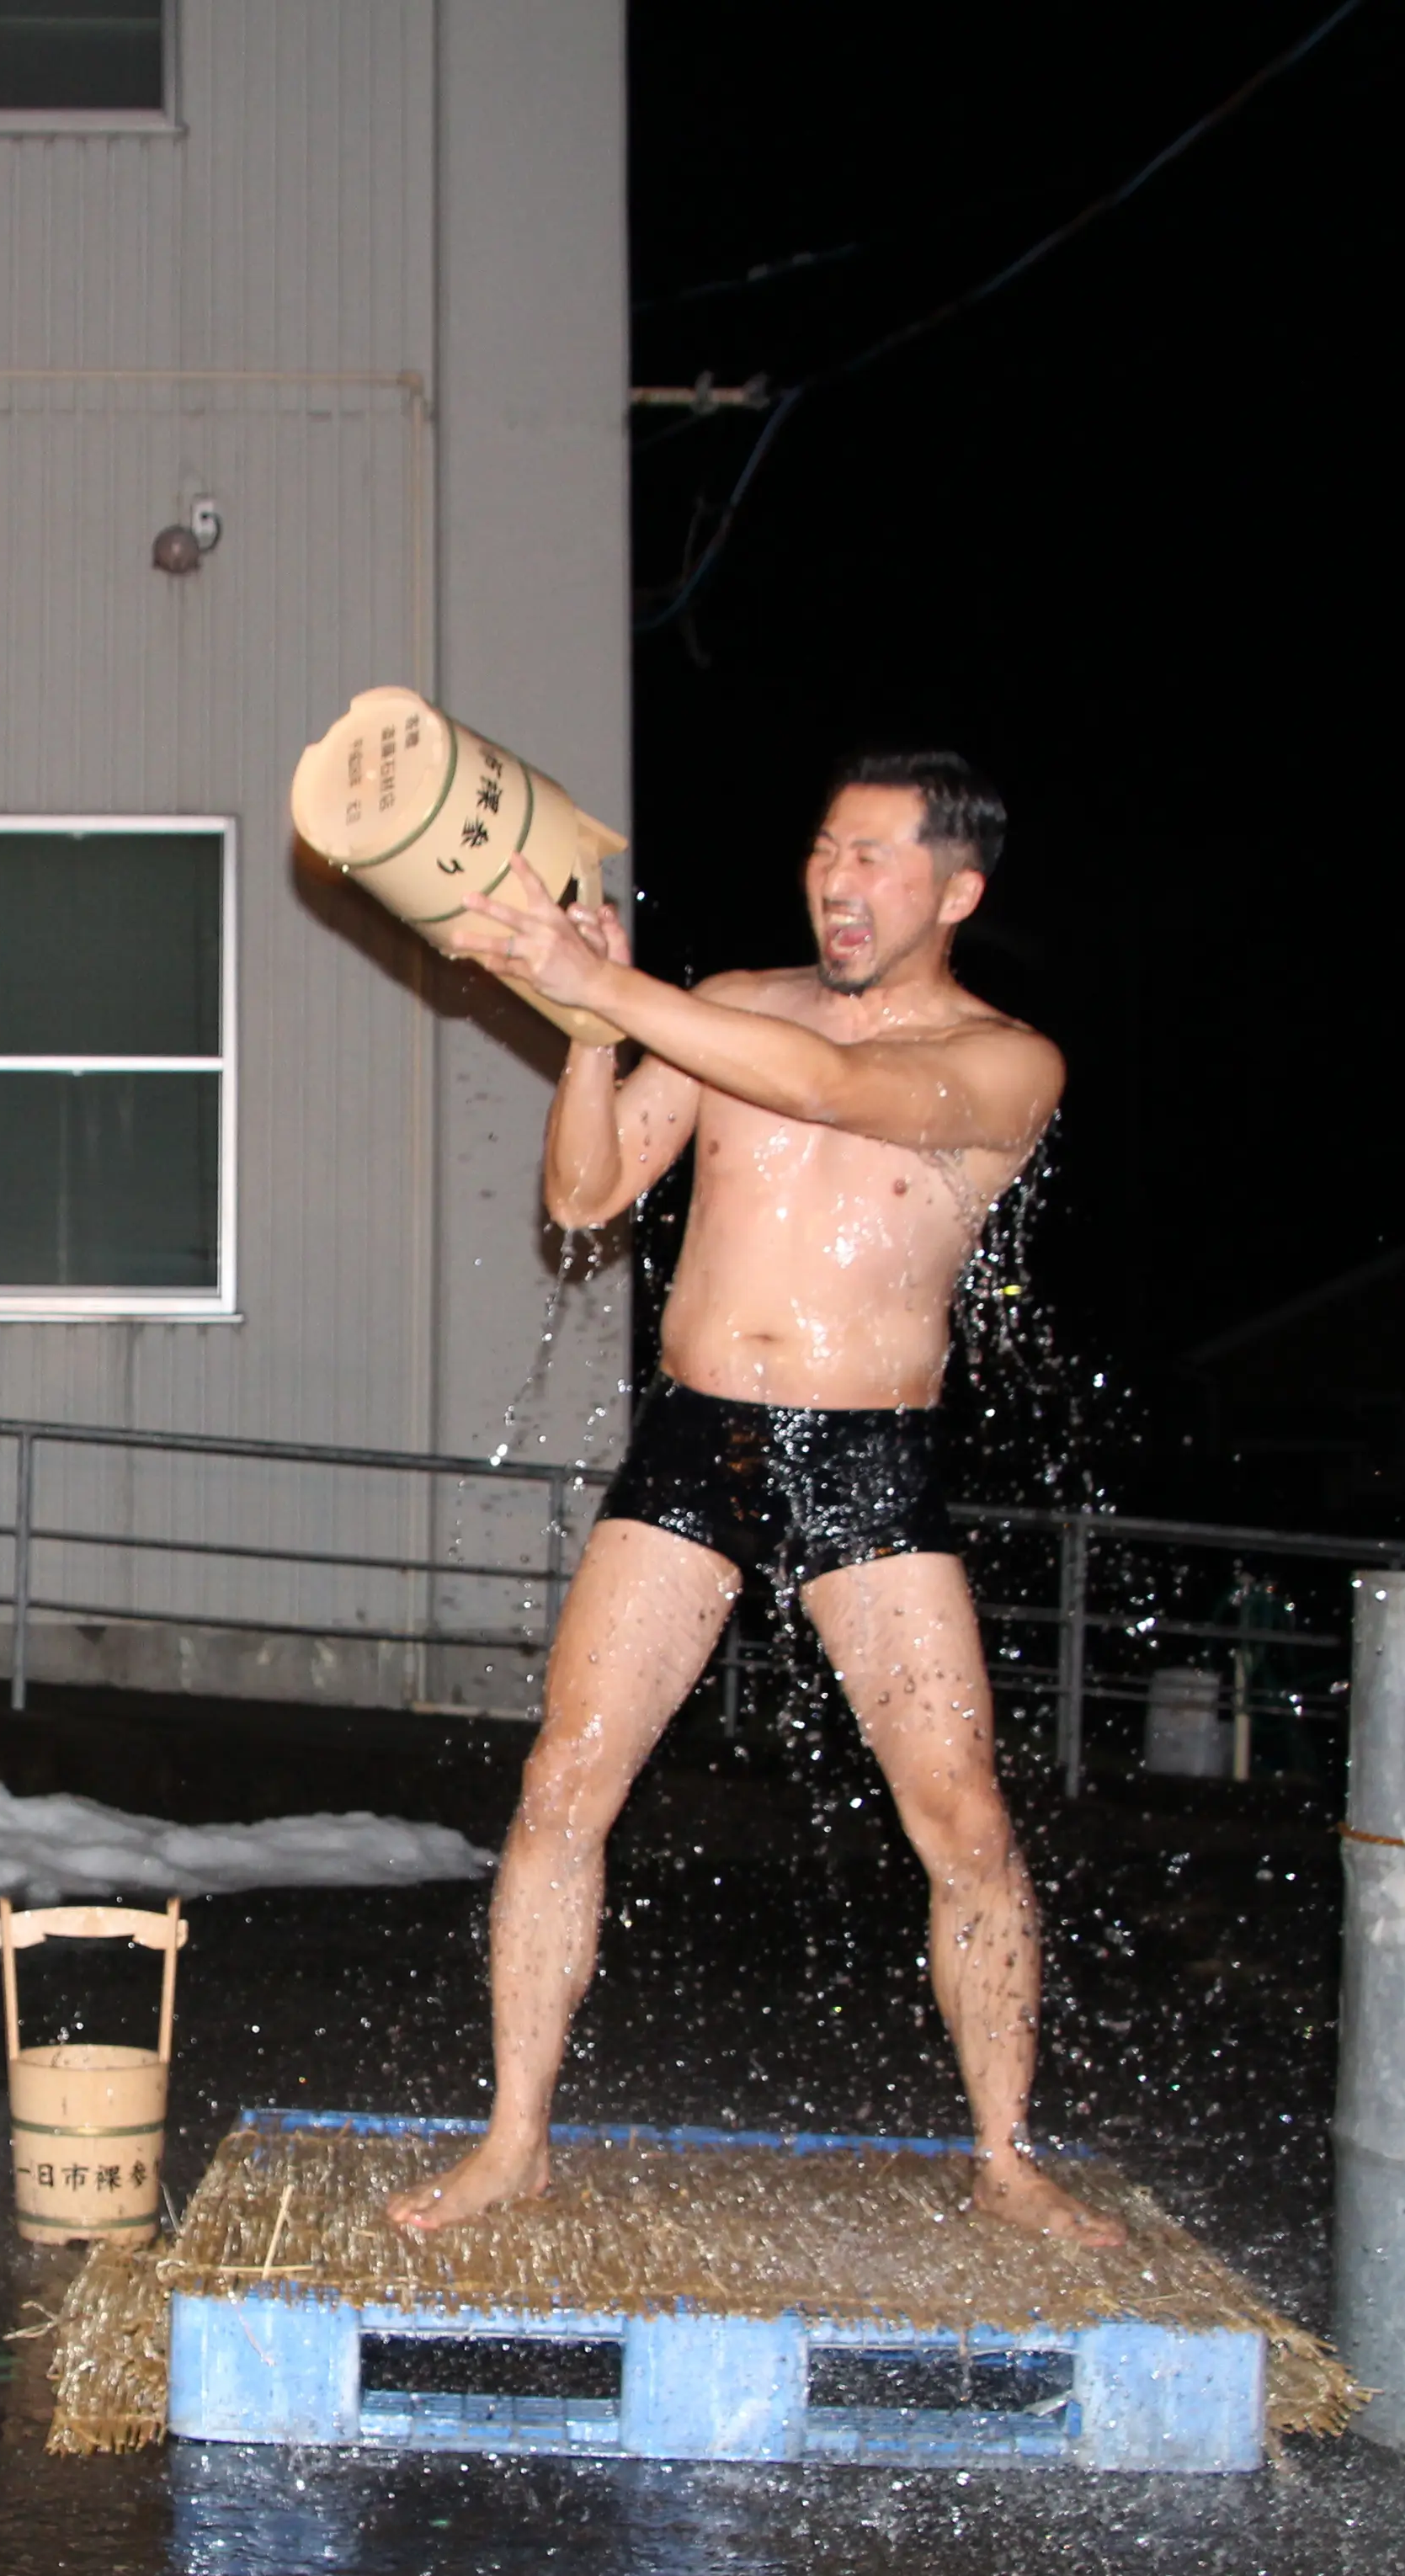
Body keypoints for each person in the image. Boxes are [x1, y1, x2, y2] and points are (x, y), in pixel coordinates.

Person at [391, 753, 1125, 2248]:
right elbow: (585, 1197)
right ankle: (513, 2141)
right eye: (823, 849)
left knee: (964, 1820)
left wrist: (608, 985)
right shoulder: (731, 1004)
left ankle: (1004, 2155)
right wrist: (587, 1035)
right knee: (561, 1782)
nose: (836, 883)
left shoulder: (1006, 1063)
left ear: (956, 890)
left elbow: (834, 1088)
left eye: (874, 858)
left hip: (867, 1460)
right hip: (695, 1441)